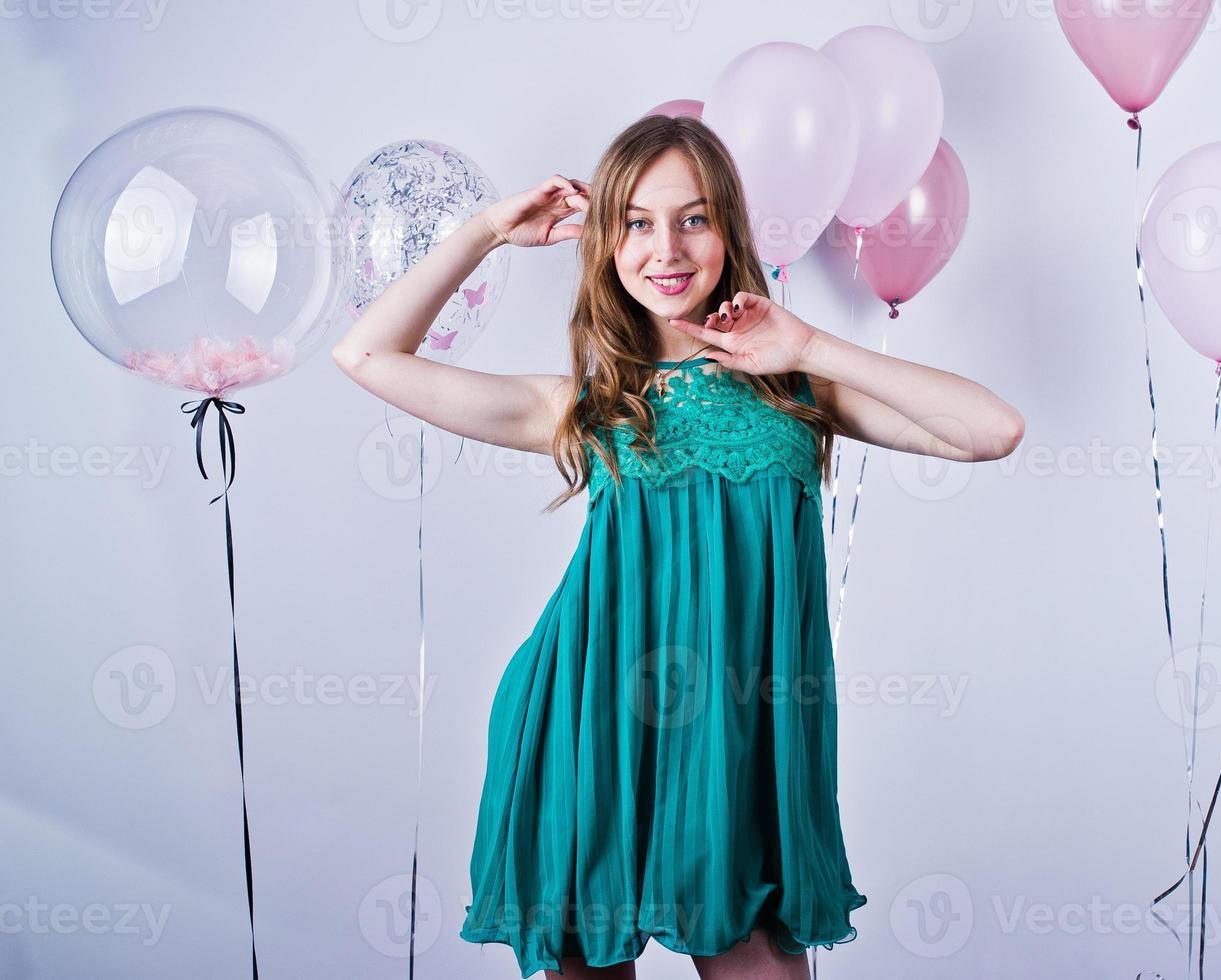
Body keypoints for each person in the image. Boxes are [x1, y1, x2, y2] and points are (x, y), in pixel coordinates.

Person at [333, 114, 1024, 979]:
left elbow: (991, 431)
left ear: (728, 230)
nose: (666, 246)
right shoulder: (587, 409)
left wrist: (807, 343)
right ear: (607, 244)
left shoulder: (799, 390)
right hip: (585, 728)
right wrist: (486, 233)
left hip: (744, 751)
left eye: (692, 218)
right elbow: (365, 353)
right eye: (636, 221)